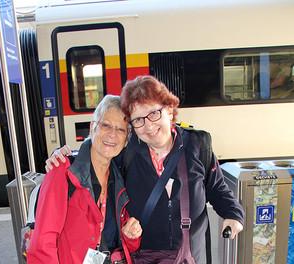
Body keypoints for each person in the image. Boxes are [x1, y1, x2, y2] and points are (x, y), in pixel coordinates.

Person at [46, 76, 245, 263]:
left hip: (190, 254)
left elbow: (217, 188)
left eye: (153, 113)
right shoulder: (128, 151)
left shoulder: (198, 144)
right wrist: (64, 154)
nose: (148, 126)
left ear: (168, 109)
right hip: (143, 255)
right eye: (138, 120)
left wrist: (233, 213)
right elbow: (100, 146)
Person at [28, 95, 142, 264]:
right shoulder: (64, 170)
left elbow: (116, 243)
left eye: (121, 129)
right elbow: (43, 242)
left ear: (126, 141)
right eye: (106, 125)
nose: (112, 134)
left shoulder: (119, 177)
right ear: (92, 128)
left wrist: (130, 236)